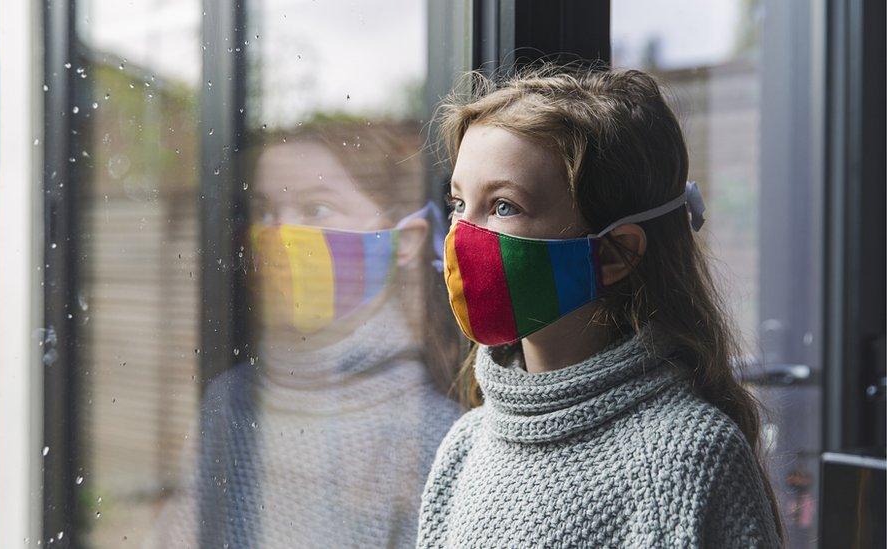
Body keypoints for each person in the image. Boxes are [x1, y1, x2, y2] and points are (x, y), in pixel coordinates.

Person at [416, 65, 783, 547]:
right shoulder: (464, 446)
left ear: (613, 254)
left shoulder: (690, 459)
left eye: (504, 206)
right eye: (459, 203)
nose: (462, 235)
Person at [150, 120, 463, 548]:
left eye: (316, 209)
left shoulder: (434, 433)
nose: (279, 235)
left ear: (404, 241)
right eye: (264, 212)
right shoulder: (231, 400)